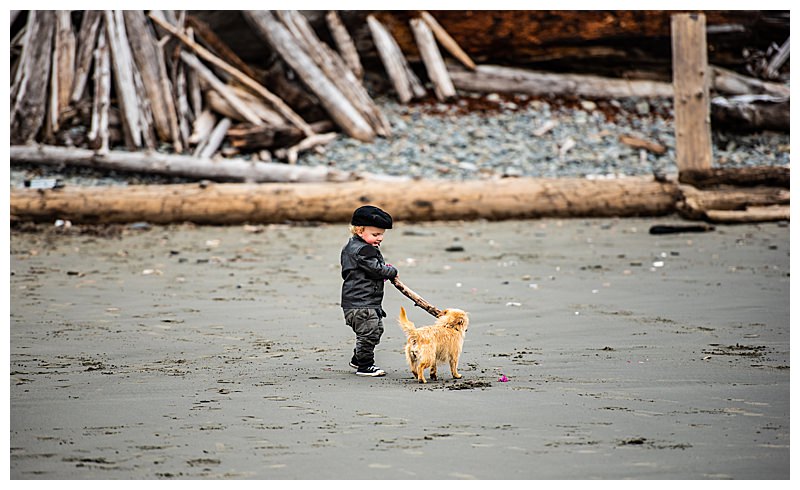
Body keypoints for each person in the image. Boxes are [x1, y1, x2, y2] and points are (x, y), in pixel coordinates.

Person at [340, 205, 398, 377]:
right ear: (359, 230)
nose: (380, 238)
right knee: (369, 333)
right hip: (361, 303)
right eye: (375, 234)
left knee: (375, 331)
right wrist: (390, 271)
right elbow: (376, 269)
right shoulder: (363, 250)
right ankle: (365, 366)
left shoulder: (352, 246)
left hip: (361, 302)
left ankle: (358, 358)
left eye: (381, 234)